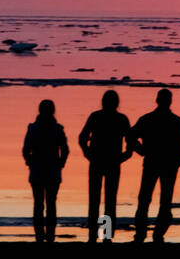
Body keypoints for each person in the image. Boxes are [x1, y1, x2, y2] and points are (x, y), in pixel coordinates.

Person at [128, 89, 180, 243]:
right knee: (163, 201)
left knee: (145, 199)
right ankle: (157, 233)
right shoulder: (176, 121)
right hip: (167, 164)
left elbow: (130, 136)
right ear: (170, 101)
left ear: (157, 100)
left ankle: (142, 234)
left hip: (153, 163)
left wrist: (141, 150)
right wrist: (177, 163)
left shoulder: (148, 119)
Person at [77, 90, 133, 242]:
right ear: (117, 103)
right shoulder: (121, 119)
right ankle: (106, 235)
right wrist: (125, 155)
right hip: (111, 162)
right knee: (109, 200)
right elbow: (130, 141)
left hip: (99, 161)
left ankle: (93, 235)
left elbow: (82, 138)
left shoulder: (96, 117)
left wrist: (87, 153)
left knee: (94, 199)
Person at [22, 99, 70, 242]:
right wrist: (61, 163)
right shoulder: (57, 129)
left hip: (38, 170)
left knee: (39, 204)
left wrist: (29, 161)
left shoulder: (33, 128)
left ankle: (40, 236)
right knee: (50, 203)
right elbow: (65, 149)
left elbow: (25, 149)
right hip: (51, 171)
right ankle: (49, 236)